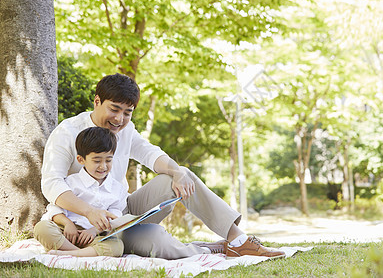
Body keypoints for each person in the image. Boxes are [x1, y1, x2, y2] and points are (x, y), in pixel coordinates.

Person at [41, 73, 285, 259]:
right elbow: (51, 183)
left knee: (180, 175)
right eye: (114, 109)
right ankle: (213, 249)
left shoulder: (126, 130)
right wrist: (89, 212)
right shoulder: (68, 132)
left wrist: (177, 172)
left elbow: (151, 154)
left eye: (127, 112)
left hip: (119, 214)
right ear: (97, 101)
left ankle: (236, 240)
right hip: (80, 218)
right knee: (159, 241)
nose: (119, 119)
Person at [34, 127, 125, 257]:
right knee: (42, 228)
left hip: (93, 237)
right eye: (97, 161)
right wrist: (67, 224)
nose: (103, 166)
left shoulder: (117, 189)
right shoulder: (71, 182)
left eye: (108, 160)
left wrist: (94, 231)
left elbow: (115, 217)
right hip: (66, 232)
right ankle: (78, 253)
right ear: (81, 160)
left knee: (117, 246)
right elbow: (54, 210)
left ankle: (71, 254)